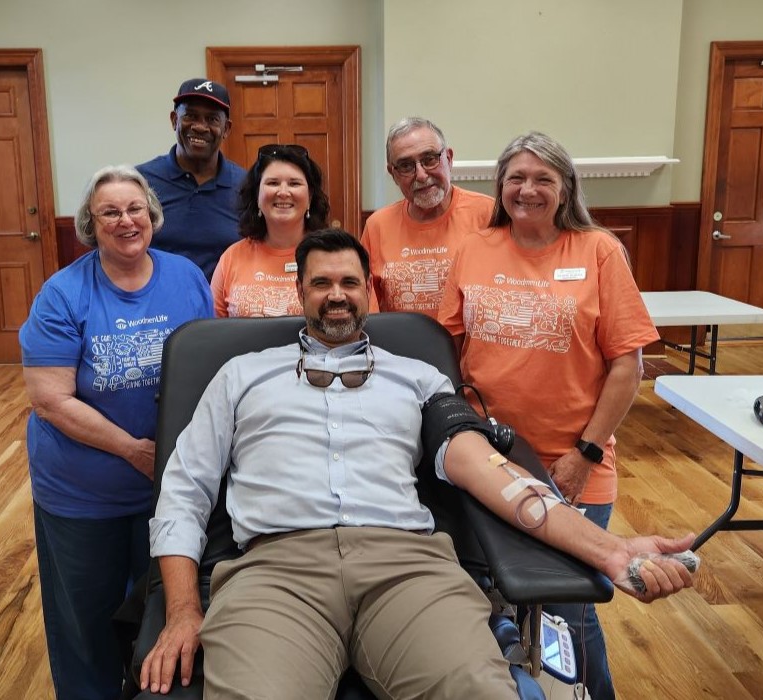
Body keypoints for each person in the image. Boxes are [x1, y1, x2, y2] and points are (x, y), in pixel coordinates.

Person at [141, 229, 694, 699]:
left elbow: (494, 475)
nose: (337, 295)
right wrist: (184, 610)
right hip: (275, 574)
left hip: (407, 569)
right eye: (321, 283)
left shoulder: (419, 378)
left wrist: (613, 552)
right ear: (299, 293)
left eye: (350, 283)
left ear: (369, 292)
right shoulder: (241, 375)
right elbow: (183, 492)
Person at [438, 132, 660, 700]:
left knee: (569, 610)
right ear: (500, 187)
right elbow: (449, 347)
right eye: (515, 177)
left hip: (574, 461)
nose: (527, 189)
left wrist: (584, 455)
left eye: (542, 178)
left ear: (565, 189)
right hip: (491, 460)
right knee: (491, 594)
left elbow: (627, 366)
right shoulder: (474, 247)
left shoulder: (598, 250)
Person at [19, 165, 213, 700]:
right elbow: (50, 400)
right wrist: (133, 450)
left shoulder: (185, 276)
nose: (126, 221)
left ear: (151, 215)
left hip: (168, 486)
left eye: (135, 209)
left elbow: (210, 364)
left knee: (155, 609)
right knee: (87, 622)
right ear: (91, 223)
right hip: (83, 492)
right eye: (110, 212)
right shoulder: (62, 294)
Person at [361, 117, 494, 318]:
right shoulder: (377, 226)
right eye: (406, 166)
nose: (421, 175)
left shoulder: (488, 213)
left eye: (430, 159)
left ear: (448, 159)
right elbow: (368, 308)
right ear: (393, 174)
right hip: (399, 348)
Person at [137, 78, 246, 280]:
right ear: (174, 120)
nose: (200, 127)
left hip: (223, 308)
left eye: (212, 119)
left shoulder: (248, 186)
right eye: (190, 116)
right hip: (158, 307)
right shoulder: (140, 182)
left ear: (227, 129)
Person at [209, 144, 329, 317]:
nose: (283, 192)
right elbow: (212, 332)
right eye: (273, 183)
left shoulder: (334, 256)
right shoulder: (231, 258)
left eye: (294, 183)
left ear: (310, 197)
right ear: (257, 195)